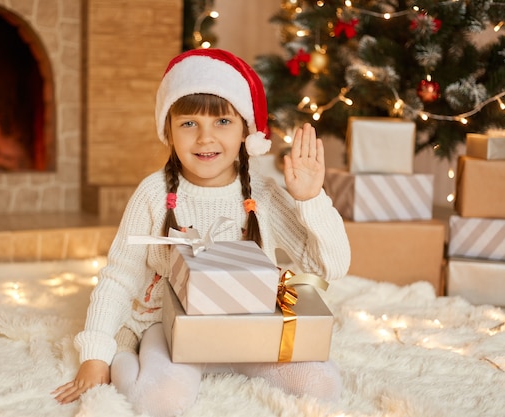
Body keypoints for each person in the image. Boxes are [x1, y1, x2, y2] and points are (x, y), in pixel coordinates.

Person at [53, 48, 351, 416]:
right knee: (159, 401)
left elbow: (331, 267)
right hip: (171, 328)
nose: (205, 138)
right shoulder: (153, 193)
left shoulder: (265, 195)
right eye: (189, 123)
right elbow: (119, 276)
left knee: (322, 386)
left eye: (222, 122)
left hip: (249, 328)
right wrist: (97, 354)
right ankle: (124, 358)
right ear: (169, 131)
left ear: (247, 130)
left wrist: (310, 200)